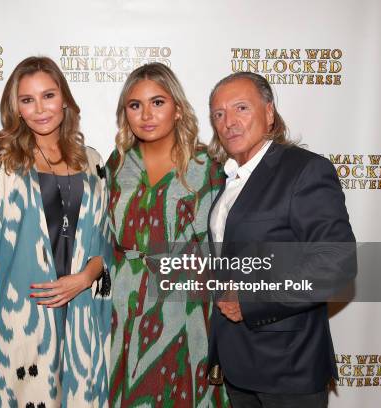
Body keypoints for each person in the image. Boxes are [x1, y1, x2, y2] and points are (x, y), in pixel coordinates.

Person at [206, 71, 356, 408]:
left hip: (288, 365)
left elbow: (336, 266)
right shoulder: (231, 178)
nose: (229, 122)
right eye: (219, 113)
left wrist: (251, 299)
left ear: (269, 113)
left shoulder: (304, 170)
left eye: (241, 108)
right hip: (238, 361)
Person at [0, 56, 112, 407]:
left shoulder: (93, 162)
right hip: (23, 316)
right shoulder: (6, 163)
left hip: (82, 313)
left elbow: (106, 245)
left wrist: (83, 278)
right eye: (27, 100)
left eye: (48, 96)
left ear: (64, 98)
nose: (40, 109)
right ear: (16, 108)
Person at [106, 63, 228, 407]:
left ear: (178, 109)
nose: (146, 114)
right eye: (135, 105)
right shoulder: (116, 164)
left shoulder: (209, 166)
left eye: (157, 102)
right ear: (125, 114)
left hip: (185, 310)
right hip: (123, 306)